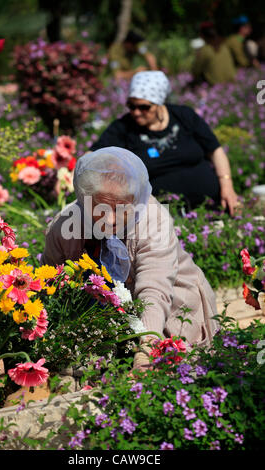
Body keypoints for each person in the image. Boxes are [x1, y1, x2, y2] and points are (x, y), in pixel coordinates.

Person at [41, 147, 219, 370]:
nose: (110, 219)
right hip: (105, 318)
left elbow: (154, 290)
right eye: (100, 207)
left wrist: (147, 347)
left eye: (121, 208)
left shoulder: (154, 220)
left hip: (172, 306)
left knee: (172, 370)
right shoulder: (64, 226)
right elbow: (51, 286)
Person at [91, 71, 239, 215]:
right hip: (161, 216)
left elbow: (215, 151)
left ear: (159, 103)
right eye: (131, 106)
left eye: (144, 107)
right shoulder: (123, 127)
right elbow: (92, 157)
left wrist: (227, 185)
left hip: (210, 206)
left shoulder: (184, 116)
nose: (136, 112)